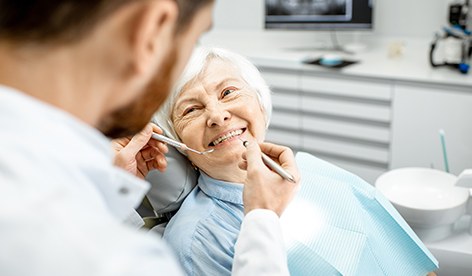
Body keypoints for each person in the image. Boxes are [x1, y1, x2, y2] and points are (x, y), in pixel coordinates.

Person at [0, 1, 299, 275]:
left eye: (229, 92)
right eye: (194, 39)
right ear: (152, 29)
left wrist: (108, 187)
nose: (218, 115)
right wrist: (262, 220)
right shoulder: (151, 255)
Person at [153, 47, 439, 276]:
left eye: (228, 92)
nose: (217, 115)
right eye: (191, 109)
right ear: (179, 144)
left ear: (261, 104)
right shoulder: (196, 242)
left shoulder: (317, 172)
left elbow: (407, 261)